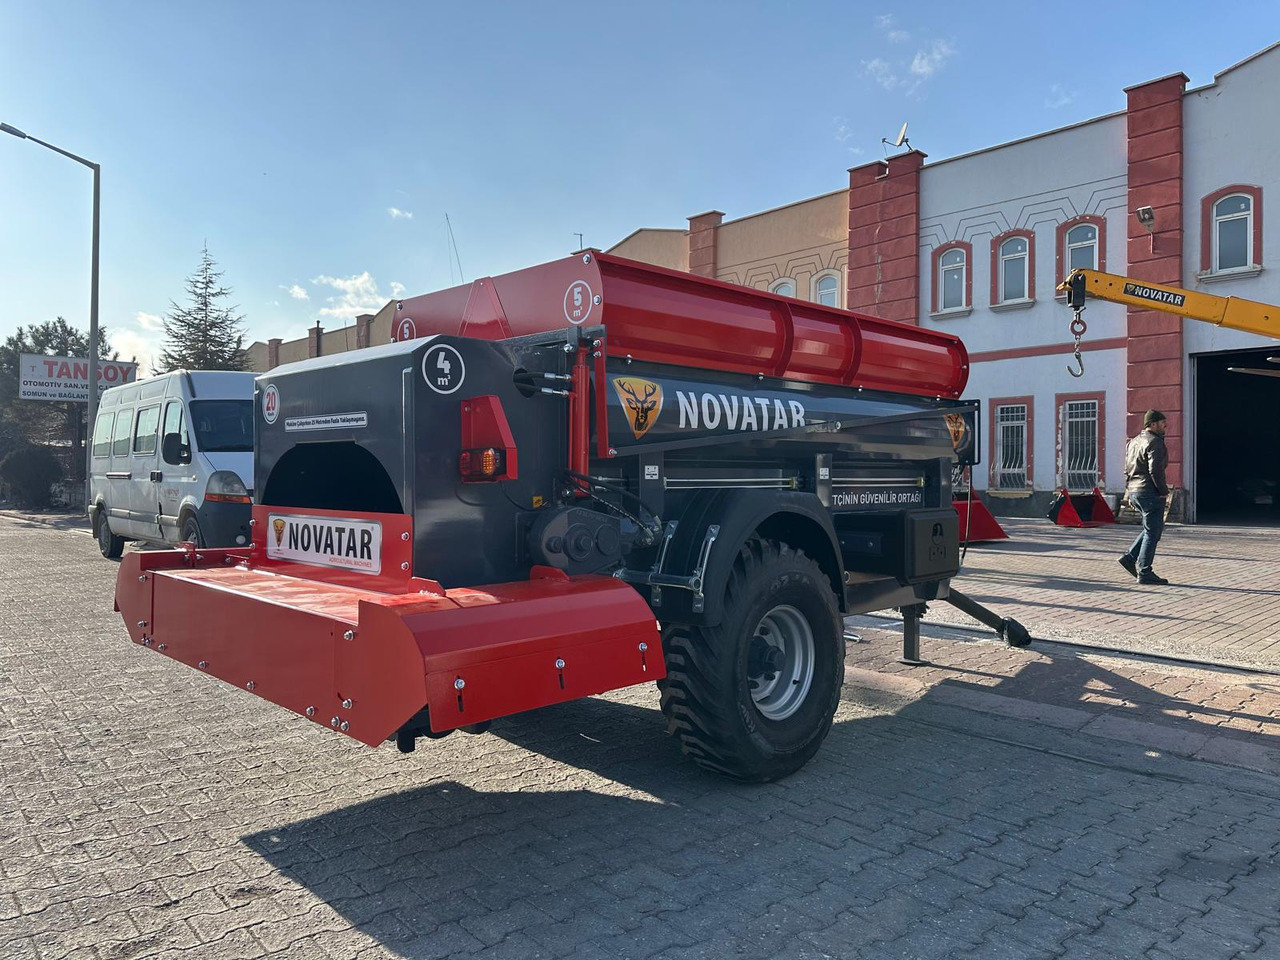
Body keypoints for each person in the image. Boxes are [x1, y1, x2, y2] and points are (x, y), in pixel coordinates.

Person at [1119, 409, 1169, 585]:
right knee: (1153, 533)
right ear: (1152, 424)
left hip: (1135, 490)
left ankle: (1130, 558)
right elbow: (1155, 470)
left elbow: (1127, 470)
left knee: (1151, 529)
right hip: (1149, 492)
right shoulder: (1155, 441)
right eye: (1162, 422)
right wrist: (1163, 490)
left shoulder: (1132, 442)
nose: (1166, 425)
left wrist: (1129, 492)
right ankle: (1145, 571)